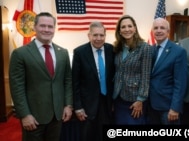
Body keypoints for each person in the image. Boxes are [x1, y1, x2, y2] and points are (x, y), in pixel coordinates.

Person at [9, 12, 73, 141]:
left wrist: (68, 105)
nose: (46, 29)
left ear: (54, 29)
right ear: (34, 27)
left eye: (50, 26)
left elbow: (67, 81)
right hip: (33, 117)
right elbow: (17, 88)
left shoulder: (63, 53)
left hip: (57, 115)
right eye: (42, 26)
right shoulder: (20, 53)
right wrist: (25, 114)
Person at [72, 21, 115, 141]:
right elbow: (75, 82)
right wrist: (78, 107)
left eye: (101, 35)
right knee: (88, 136)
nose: (98, 38)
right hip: (87, 106)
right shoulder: (80, 52)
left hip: (107, 104)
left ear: (105, 35)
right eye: (95, 35)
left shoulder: (112, 50)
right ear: (89, 35)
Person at [112, 15, 153, 125]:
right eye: (123, 27)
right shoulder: (117, 48)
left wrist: (140, 100)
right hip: (118, 98)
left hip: (135, 101)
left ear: (135, 28)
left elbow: (146, 76)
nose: (127, 29)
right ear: (119, 31)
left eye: (130, 26)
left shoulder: (145, 48)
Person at [147, 17, 188, 125]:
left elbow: (180, 83)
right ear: (152, 31)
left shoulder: (178, 52)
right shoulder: (151, 49)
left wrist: (175, 108)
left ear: (168, 31)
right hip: (151, 105)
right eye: (156, 28)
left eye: (162, 28)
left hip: (168, 107)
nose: (159, 30)